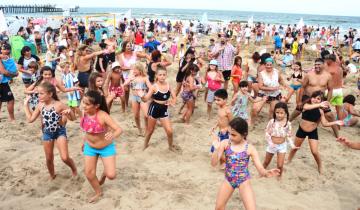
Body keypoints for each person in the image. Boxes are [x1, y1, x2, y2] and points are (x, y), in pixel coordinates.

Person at [211, 117, 280, 210]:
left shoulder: (249, 148)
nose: (230, 137)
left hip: (243, 181)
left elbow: (260, 168)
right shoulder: (225, 143)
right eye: (229, 133)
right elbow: (214, 163)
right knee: (218, 208)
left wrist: (266, 173)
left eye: (234, 135)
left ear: (244, 134)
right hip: (229, 179)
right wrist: (216, 148)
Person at [23, 82, 78, 180]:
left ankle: (74, 169)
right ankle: (52, 175)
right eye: (38, 93)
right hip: (47, 133)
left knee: (64, 157)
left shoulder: (59, 105)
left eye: (41, 93)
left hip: (60, 132)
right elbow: (30, 119)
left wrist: (69, 113)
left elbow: (73, 119)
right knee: (49, 158)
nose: (38, 95)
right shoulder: (40, 105)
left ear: (50, 94)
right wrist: (25, 105)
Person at [81, 90, 122, 203]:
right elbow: (87, 131)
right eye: (83, 102)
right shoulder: (85, 112)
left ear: (97, 106)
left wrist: (113, 135)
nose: (84, 105)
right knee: (89, 174)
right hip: (90, 147)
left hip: (106, 148)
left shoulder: (103, 115)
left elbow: (119, 129)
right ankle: (98, 192)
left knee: (111, 175)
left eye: (87, 104)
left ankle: (104, 173)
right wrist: (83, 142)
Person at [287, 91, 344, 174]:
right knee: (295, 148)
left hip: (312, 132)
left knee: (314, 152)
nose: (315, 100)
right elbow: (306, 108)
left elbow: (324, 124)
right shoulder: (306, 105)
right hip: (301, 130)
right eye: (314, 97)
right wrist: (319, 104)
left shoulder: (321, 111)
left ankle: (320, 165)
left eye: (318, 99)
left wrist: (335, 122)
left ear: (321, 101)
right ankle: (289, 160)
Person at [137, 68, 177, 151]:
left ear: (166, 75)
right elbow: (146, 99)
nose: (162, 77)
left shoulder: (168, 85)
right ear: (156, 76)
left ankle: (170, 146)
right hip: (154, 109)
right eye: (160, 75)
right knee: (150, 130)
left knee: (169, 131)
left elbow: (174, 97)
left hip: (164, 109)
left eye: (164, 75)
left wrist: (172, 102)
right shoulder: (154, 87)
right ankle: (145, 144)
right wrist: (142, 96)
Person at [262, 102, 297, 177]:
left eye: (281, 113)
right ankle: (261, 173)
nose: (279, 114)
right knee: (266, 162)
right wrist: (270, 143)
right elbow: (267, 133)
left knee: (280, 165)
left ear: (285, 113)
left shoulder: (288, 124)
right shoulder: (272, 122)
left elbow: (289, 136)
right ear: (274, 112)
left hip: (282, 146)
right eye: (277, 112)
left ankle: (279, 176)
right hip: (272, 145)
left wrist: (292, 145)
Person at [251, 57, 289, 126]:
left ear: (272, 65)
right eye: (267, 65)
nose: (269, 66)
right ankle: (252, 122)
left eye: (270, 64)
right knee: (255, 108)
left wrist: (285, 85)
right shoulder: (261, 73)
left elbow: (280, 80)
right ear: (265, 65)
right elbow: (260, 86)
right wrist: (273, 88)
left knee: (272, 111)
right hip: (263, 94)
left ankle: (270, 125)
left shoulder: (276, 72)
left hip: (275, 94)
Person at [123, 62, 152, 135]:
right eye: (133, 69)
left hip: (143, 97)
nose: (134, 71)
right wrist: (129, 79)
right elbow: (124, 84)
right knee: (136, 116)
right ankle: (139, 130)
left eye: (136, 69)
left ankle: (146, 128)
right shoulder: (132, 77)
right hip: (134, 97)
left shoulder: (145, 78)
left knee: (146, 115)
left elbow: (151, 87)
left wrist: (147, 95)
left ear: (140, 70)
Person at [210, 89, 233, 153]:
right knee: (216, 146)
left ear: (225, 100)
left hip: (226, 133)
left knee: (223, 148)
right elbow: (220, 119)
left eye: (218, 100)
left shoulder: (228, 111)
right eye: (215, 100)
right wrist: (215, 126)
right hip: (220, 131)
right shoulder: (219, 107)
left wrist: (226, 129)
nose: (216, 102)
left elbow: (232, 123)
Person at [0, 43, 18, 122]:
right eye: (3, 49)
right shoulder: (3, 57)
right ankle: (12, 118)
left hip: (3, 81)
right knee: (10, 100)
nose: (4, 51)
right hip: (2, 83)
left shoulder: (5, 57)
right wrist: (14, 74)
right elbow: (4, 72)